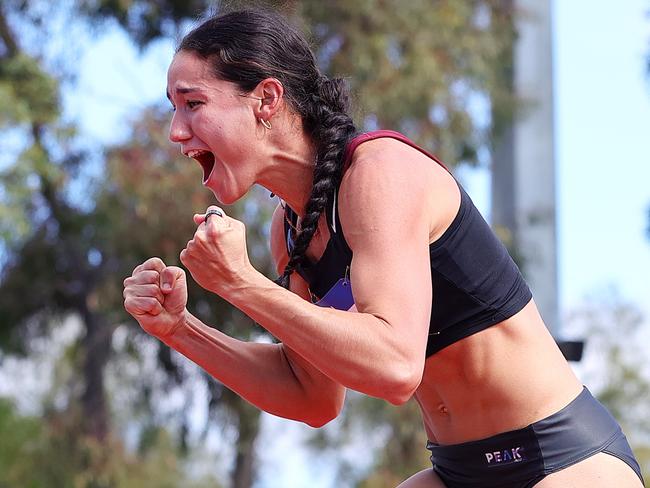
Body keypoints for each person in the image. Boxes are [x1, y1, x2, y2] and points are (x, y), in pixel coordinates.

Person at [122, 9, 645, 488]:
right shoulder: (291, 231)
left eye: (193, 104)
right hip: (457, 473)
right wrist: (179, 329)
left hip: (561, 459)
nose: (175, 131)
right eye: (174, 108)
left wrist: (241, 283)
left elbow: (395, 366)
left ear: (266, 99)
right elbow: (310, 396)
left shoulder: (380, 172)